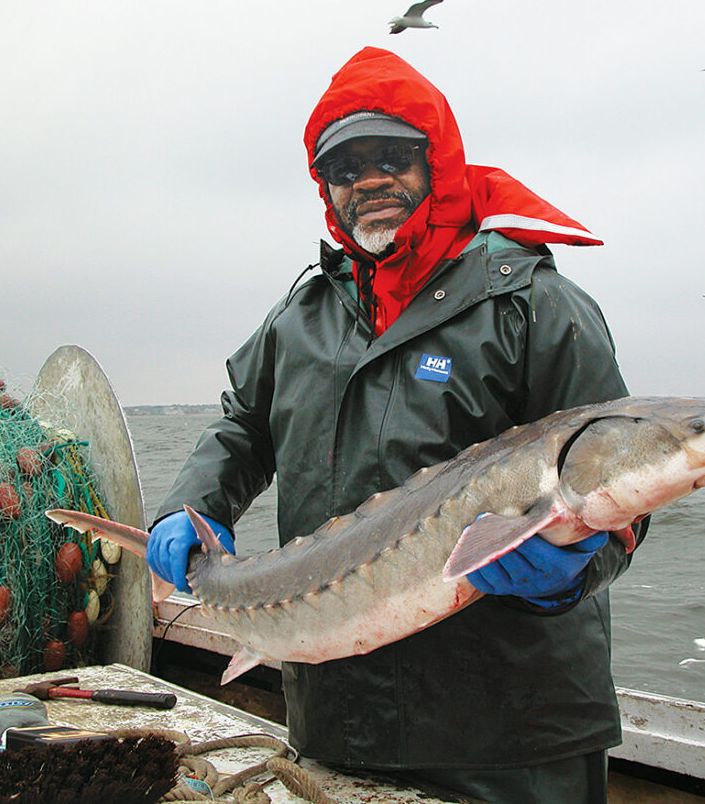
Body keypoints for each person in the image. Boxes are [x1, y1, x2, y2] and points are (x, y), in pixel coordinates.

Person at [148, 46, 647, 804]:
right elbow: (243, 426)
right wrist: (192, 505)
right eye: (345, 169)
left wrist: (577, 569)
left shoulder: (534, 304)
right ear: (326, 190)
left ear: (437, 162)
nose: (370, 182)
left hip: (513, 739)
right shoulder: (302, 316)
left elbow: (625, 481)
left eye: (392, 157)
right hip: (336, 720)